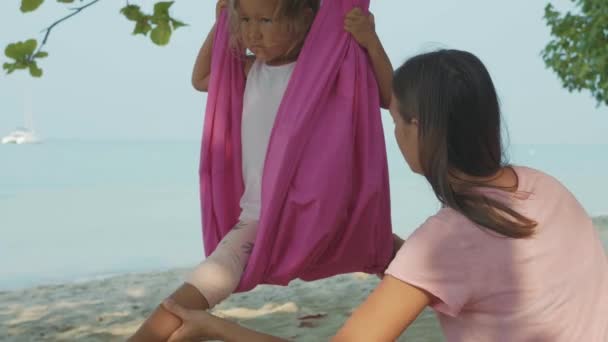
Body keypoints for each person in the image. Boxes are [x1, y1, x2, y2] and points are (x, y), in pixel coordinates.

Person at [158, 49, 608, 341]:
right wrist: (369, 241)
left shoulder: (447, 238)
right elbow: (474, 267)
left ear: (419, 127)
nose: (393, 135)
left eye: (395, 121)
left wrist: (214, 327)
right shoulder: (546, 187)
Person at [128, 0, 393, 340]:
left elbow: (388, 97)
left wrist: (371, 41)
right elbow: (201, 79)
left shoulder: (327, 74)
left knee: (397, 256)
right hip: (262, 217)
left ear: (304, 19)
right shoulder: (249, 70)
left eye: (266, 19)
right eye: (245, 19)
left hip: (319, 212)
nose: (252, 31)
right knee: (207, 281)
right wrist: (221, 25)